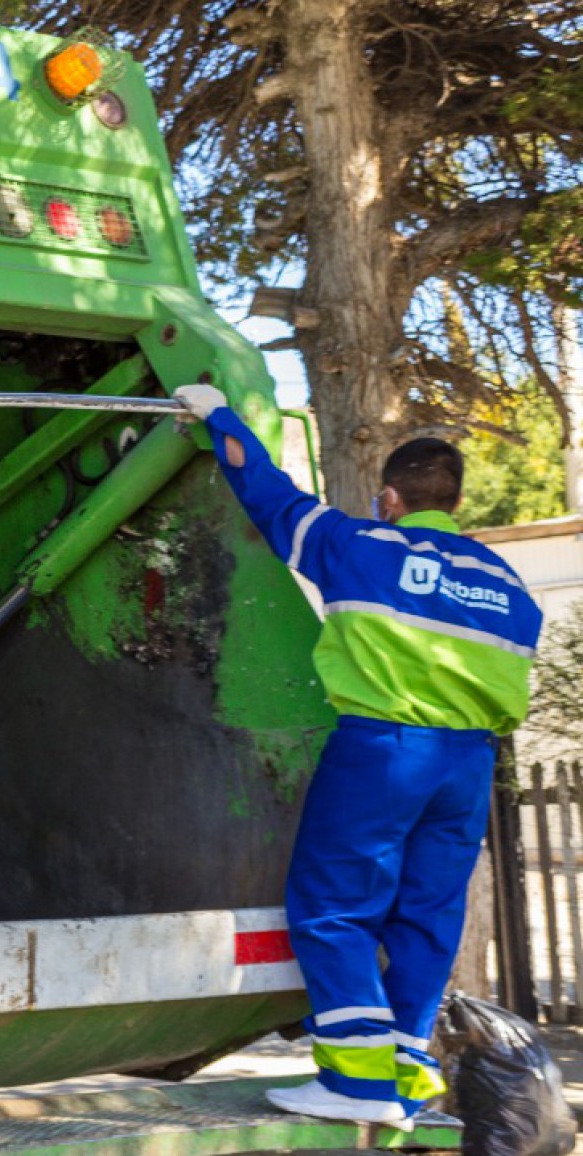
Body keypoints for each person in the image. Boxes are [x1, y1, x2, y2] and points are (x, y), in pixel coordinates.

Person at [174, 383, 543, 1129]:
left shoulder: (362, 546)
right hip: (470, 762)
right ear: (456, 501)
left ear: (389, 497)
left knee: (335, 906)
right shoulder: (505, 582)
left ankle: (357, 1077)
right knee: (427, 914)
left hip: (384, 748)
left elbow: (270, 494)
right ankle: (407, 1072)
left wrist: (217, 416)